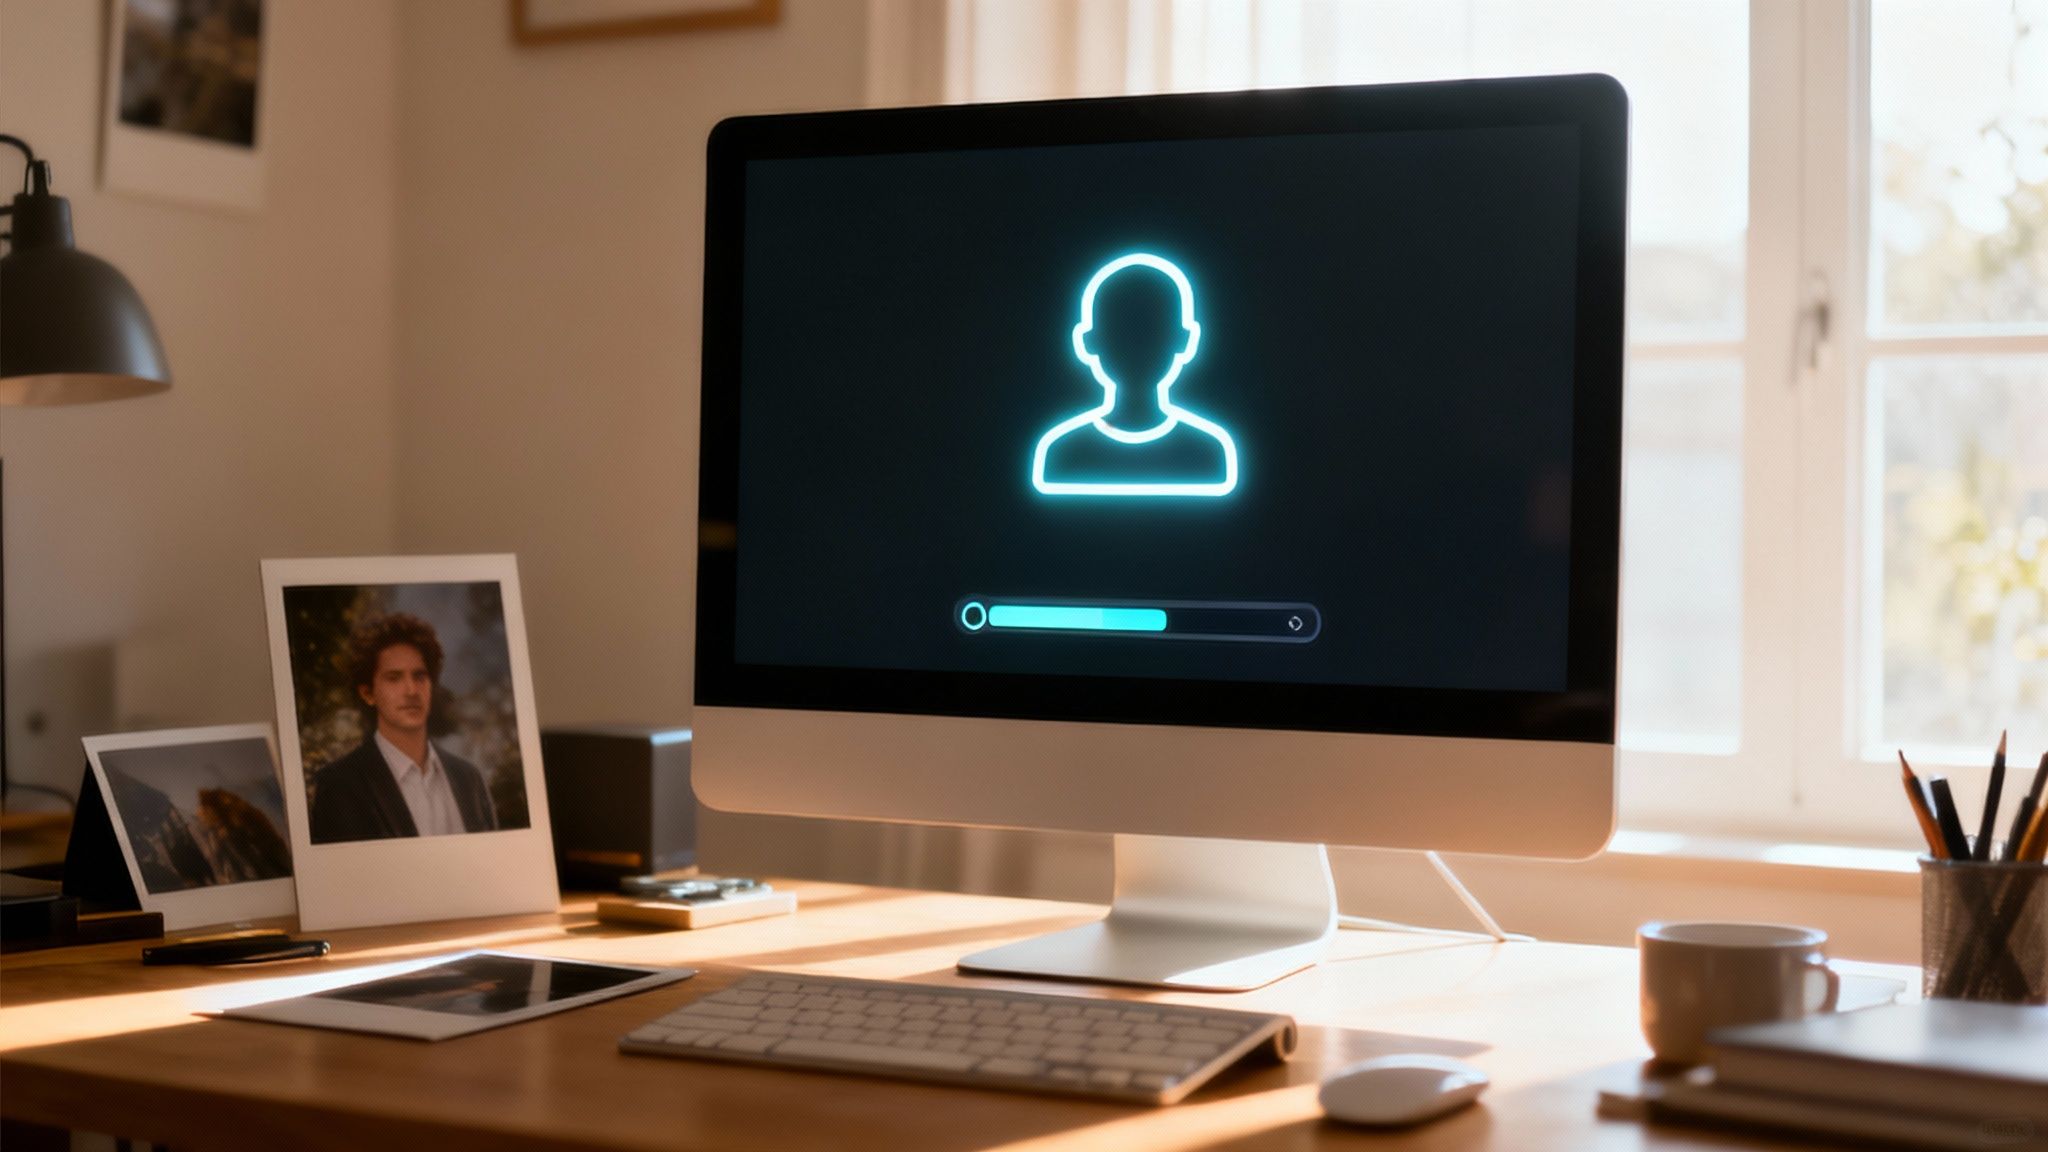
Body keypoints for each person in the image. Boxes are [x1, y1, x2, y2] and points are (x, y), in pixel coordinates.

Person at [1032, 252, 1240, 497]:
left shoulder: (1208, 452)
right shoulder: (1063, 453)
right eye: (1122, 330)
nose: (1136, 346)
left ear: (1184, 339)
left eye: (1150, 329)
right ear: (1089, 341)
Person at [308, 612, 498, 844]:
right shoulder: (339, 786)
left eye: (419, 676)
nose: (411, 690)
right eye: (394, 678)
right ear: (368, 693)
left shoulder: (469, 779)